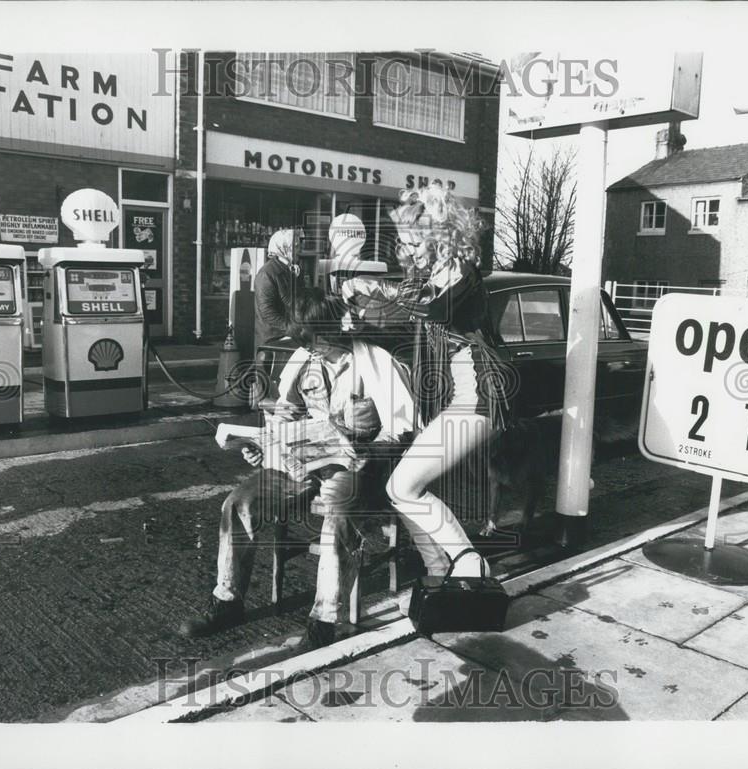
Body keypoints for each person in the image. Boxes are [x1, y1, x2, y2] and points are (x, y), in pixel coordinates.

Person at [181, 288, 415, 648]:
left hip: (357, 464)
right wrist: (264, 444)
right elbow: (285, 417)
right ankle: (227, 601)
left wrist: (368, 449)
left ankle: (324, 619)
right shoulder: (304, 359)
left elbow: (403, 429)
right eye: (305, 342)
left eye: (316, 340)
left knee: (337, 511)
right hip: (299, 463)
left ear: (336, 329)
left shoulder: (377, 362)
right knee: (238, 503)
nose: (310, 349)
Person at [342, 181, 513, 576]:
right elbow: (405, 331)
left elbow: (433, 312)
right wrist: (359, 325)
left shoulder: (462, 274)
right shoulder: (433, 278)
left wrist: (377, 292)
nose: (410, 250)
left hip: (482, 397)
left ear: (439, 235)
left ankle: (470, 566)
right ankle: (448, 570)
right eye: (406, 243)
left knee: (403, 487)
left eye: (415, 242)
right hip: (461, 401)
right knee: (405, 489)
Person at [254, 228, 303, 348]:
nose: (299, 250)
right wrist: (292, 328)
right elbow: (267, 311)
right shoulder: (267, 273)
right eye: (295, 247)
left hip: (288, 334)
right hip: (273, 337)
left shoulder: (289, 270)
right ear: (284, 248)